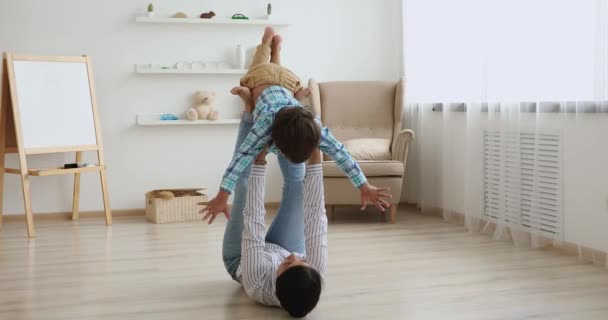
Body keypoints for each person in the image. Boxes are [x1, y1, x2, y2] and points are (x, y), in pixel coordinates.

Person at [201, 26, 391, 226]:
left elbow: (340, 153)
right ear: (277, 141)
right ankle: (267, 43)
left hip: (288, 83)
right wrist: (223, 195)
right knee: (257, 65)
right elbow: (242, 157)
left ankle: (276, 51)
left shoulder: (312, 127)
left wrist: (364, 185)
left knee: (274, 72)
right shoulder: (266, 124)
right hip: (271, 80)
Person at [221, 144, 328, 317]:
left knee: (244, 185)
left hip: (240, 257)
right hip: (278, 249)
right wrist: (314, 153)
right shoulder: (314, 275)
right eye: (303, 261)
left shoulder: (256, 280)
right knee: (298, 189)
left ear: (276, 281)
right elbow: (316, 218)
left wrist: (259, 160)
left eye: (287, 264)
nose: (293, 256)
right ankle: (289, 130)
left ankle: (248, 120)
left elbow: (254, 219)